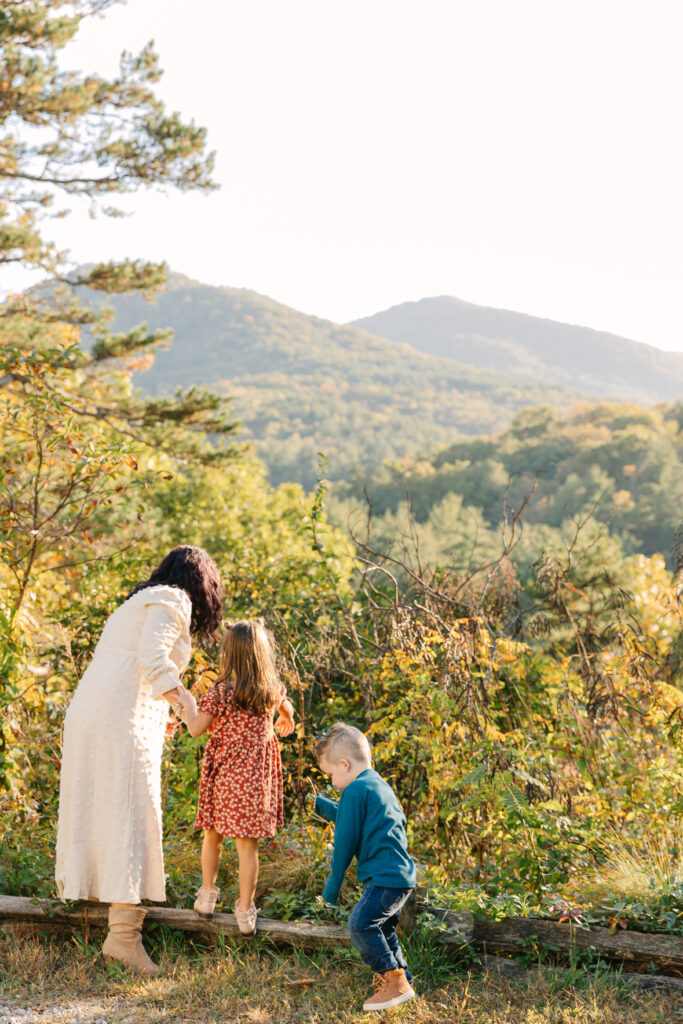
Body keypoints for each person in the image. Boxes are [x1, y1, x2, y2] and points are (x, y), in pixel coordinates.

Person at [55, 545, 223, 976]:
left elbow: (130, 666)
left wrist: (161, 710)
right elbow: (152, 661)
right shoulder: (174, 601)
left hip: (92, 714)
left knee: (103, 812)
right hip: (118, 720)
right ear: (202, 584)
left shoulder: (136, 603)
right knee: (131, 815)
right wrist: (187, 708)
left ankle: (110, 925)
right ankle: (123, 939)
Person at [175, 618, 295, 934]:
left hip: (225, 777)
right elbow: (288, 710)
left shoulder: (220, 693)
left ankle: (208, 897)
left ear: (229, 654)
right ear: (262, 655)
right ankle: (245, 912)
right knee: (247, 848)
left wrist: (187, 705)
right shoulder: (271, 690)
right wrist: (286, 721)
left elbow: (196, 728)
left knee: (213, 835)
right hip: (256, 781)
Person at [313, 722, 417, 1012]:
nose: (333, 782)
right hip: (400, 875)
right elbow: (359, 820)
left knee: (360, 924)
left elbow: (346, 840)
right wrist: (325, 807)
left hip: (383, 877)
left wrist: (331, 887)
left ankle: (393, 982)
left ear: (344, 764)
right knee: (384, 930)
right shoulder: (377, 785)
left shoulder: (355, 790)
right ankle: (404, 984)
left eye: (332, 775)